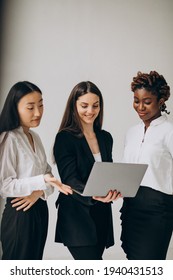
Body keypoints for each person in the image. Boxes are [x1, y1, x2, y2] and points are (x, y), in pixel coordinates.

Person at [0, 81, 72, 260]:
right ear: (15, 107)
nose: (38, 112)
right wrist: (42, 182)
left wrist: (38, 191)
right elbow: (5, 185)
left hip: (39, 209)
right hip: (20, 214)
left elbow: (49, 177)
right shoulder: (9, 138)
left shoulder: (35, 137)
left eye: (40, 105)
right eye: (30, 107)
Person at [53, 81, 121, 260]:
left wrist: (114, 189)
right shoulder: (64, 138)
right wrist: (94, 195)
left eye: (95, 105)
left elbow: (108, 172)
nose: (90, 111)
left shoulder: (105, 138)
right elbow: (70, 180)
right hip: (76, 218)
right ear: (74, 106)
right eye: (84, 105)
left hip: (101, 216)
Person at [120, 70, 173, 260]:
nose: (140, 107)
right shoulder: (132, 132)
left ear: (161, 101)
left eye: (147, 102)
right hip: (131, 206)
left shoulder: (169, 131)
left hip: (158, 209)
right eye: (136, 100)